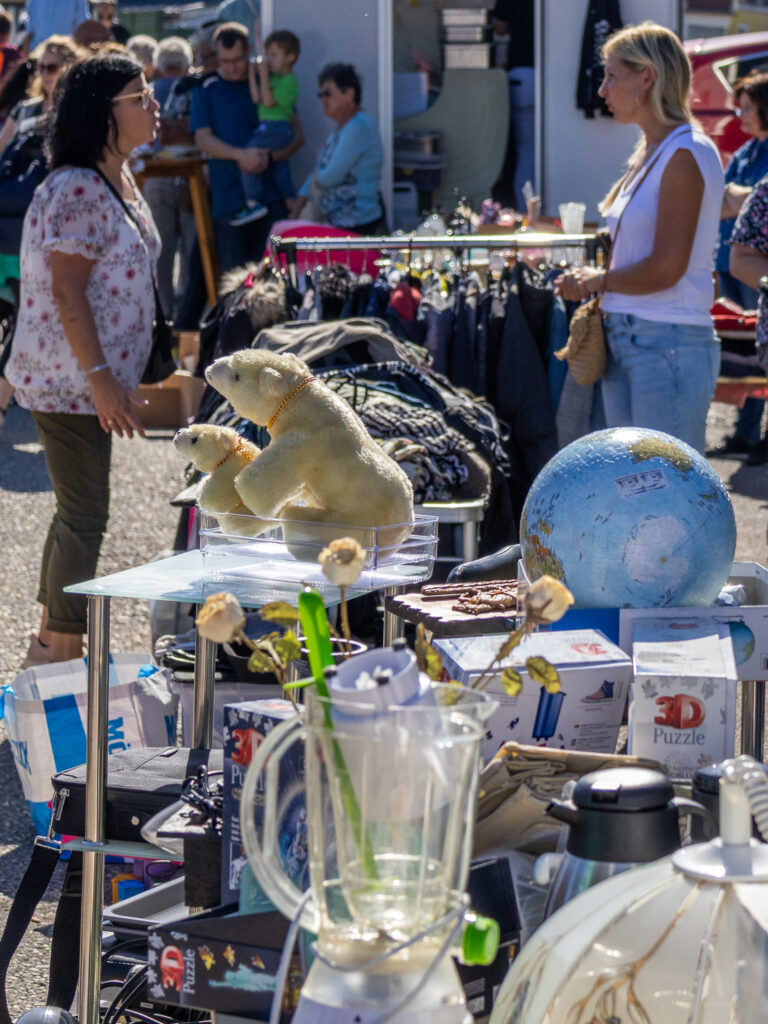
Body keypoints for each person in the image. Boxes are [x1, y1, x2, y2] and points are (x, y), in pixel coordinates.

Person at [5, 52, 161, 667]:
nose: (154, 108)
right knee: (87, 513)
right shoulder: (76, 186)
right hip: (69, 380)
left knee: (78, 510)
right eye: (140, 98)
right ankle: (60, 651)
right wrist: (101, 379)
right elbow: (67, 291)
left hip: (81, 378)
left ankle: (50, 638)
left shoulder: (115, 177)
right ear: (104, 113)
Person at [554, 21, 724, 455]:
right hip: (637, 338)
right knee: (636, 490)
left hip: (665, 342)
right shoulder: (656, 151)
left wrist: (596, 280)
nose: (602, 89)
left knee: (664, 494)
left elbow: (666, 268)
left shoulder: (685, 152)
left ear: (647, 76)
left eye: (612, 75)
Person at [191, 20, 304, 273]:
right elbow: (202, 139)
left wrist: (269, 157)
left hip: (271, 198)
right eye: (225, 61)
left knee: (275, 281)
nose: (231, 68)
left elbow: (298, 136)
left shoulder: (270, 82)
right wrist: (240, 155)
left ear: (249, 51)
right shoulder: (207, 88)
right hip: (229, 202)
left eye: (238, 60)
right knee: (235, 285)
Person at [711, 72, 768, 461]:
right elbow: (718, 200)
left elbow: (739, 200)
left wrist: (737, 198)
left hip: (755, 263)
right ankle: (746, 433)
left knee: (761, 347)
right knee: (743, 353)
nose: (740, 114)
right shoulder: (747, 152)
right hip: (729, 262)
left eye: (747, 107)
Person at [289, 63, 385, 234]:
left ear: (349, 94)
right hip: (338, 222)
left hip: (357, 225)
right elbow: (320, 170)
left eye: (328, 94)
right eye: (320, 94)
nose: (323, 100)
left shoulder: (358, 127)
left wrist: (313, 182)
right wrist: (301, 199)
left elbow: (329, 177)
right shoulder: (342, 128)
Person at [143, 35, 196, 319]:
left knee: (160, 250)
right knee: (189, 249)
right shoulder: (192, 88)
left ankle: (162, 315)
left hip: (155, 176)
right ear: (186, 64)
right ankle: (186, 315)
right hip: (190, 176)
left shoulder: (149, 90)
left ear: (160, 66)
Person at [230, 28, 299, 226]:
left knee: (248, 157)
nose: (270, 60)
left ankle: (253, 202)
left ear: (290, 57)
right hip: (269, 127)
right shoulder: (276, 78)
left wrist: (264, 76)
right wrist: (253, 75)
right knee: (280, 171)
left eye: (274, 55)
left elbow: (267, 102)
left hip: (276, 128)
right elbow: (257, 98)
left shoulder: (290, 81)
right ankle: (291, 205)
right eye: (268, 55)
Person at [23, 0, 89, 46]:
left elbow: (83, 29)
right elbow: (30, 33)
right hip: (38, 56)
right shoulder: (33, 1)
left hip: (67, 55)